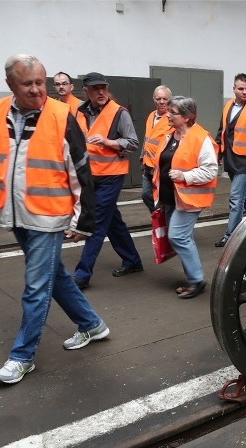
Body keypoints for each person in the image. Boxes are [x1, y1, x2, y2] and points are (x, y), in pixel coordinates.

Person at [0, 54, 108, 385]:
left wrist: (82, 219)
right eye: (27, 84)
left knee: (36, 286)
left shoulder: (61, 116)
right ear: (10, 85)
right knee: (54, 276)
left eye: (40, 82)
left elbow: (80, 170)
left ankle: (22, 356)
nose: (36, 90)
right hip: (15, 214)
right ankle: (92, 325)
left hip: (49, 217)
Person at [72, 72, 142, 289]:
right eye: (95, 89)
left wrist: (108, 142)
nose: (101, 92)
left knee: (97, 222)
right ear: (86, 91)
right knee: (112, 220)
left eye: (103, 87)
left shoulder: (119, 113)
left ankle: (82, 274)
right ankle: (132, 260)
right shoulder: (80, 112)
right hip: (90, 176)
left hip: (112, 175)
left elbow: (132, 143)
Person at [152, 96, 219, 299]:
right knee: (183, 238)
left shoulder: (201, 138)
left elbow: (210, 170)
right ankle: (192, 278)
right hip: (171, 198)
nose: (168, 115)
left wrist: (185, 176)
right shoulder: (170, 136)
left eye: (173, 112)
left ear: (188, 117)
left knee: (178, 236)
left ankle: (196, 280)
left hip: (189, 200)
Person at [214, 73, 246, 247]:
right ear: (234, 89)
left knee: (236, 198)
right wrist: (218, 152)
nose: (245, 92)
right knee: (244, 195)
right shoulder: (228, 105)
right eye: (241, 89)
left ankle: (231, 236)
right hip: (230, 158)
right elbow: (222, 129)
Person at [140, 85, 173, 212]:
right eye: (158, 99)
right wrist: (142, 159)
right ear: (154, 100)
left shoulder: (171, 118)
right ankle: (159, 218)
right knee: (146, 195)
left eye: (165, 99)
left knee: (162, 199)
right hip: (148, 167)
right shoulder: (151, 116)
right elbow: (147, 139)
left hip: (161, 169)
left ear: (170, 99)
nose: (162, 102)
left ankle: (163, 222)